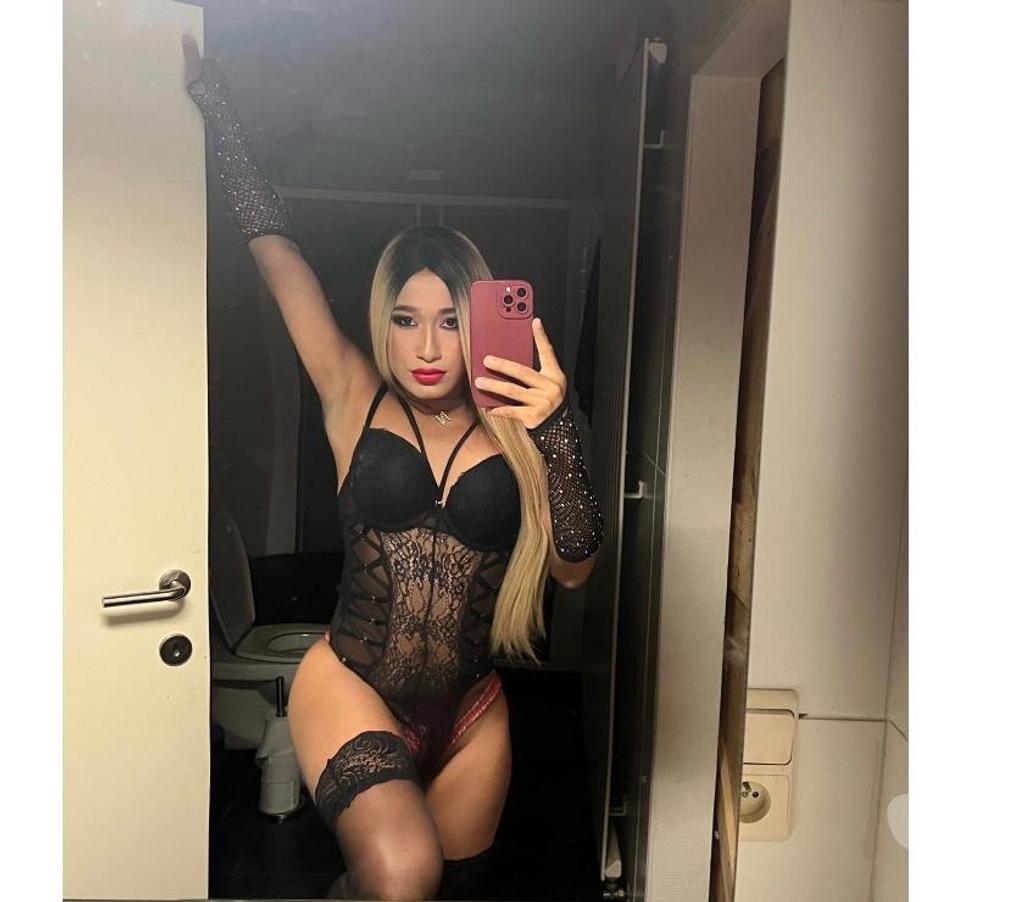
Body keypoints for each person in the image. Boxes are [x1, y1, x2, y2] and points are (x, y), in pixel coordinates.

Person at [183, 35, 604, 901]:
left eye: (449, 322)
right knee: (404, 870)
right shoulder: (353, 395)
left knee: (440, 890)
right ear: (384, 319)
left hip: (473, 713)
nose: (426, 346)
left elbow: (574, 569)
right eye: (407, 320)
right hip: (351, 684)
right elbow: (276, 253)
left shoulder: (523, 428)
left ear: (477, 325)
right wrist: (216, 108)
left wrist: (559, 433)